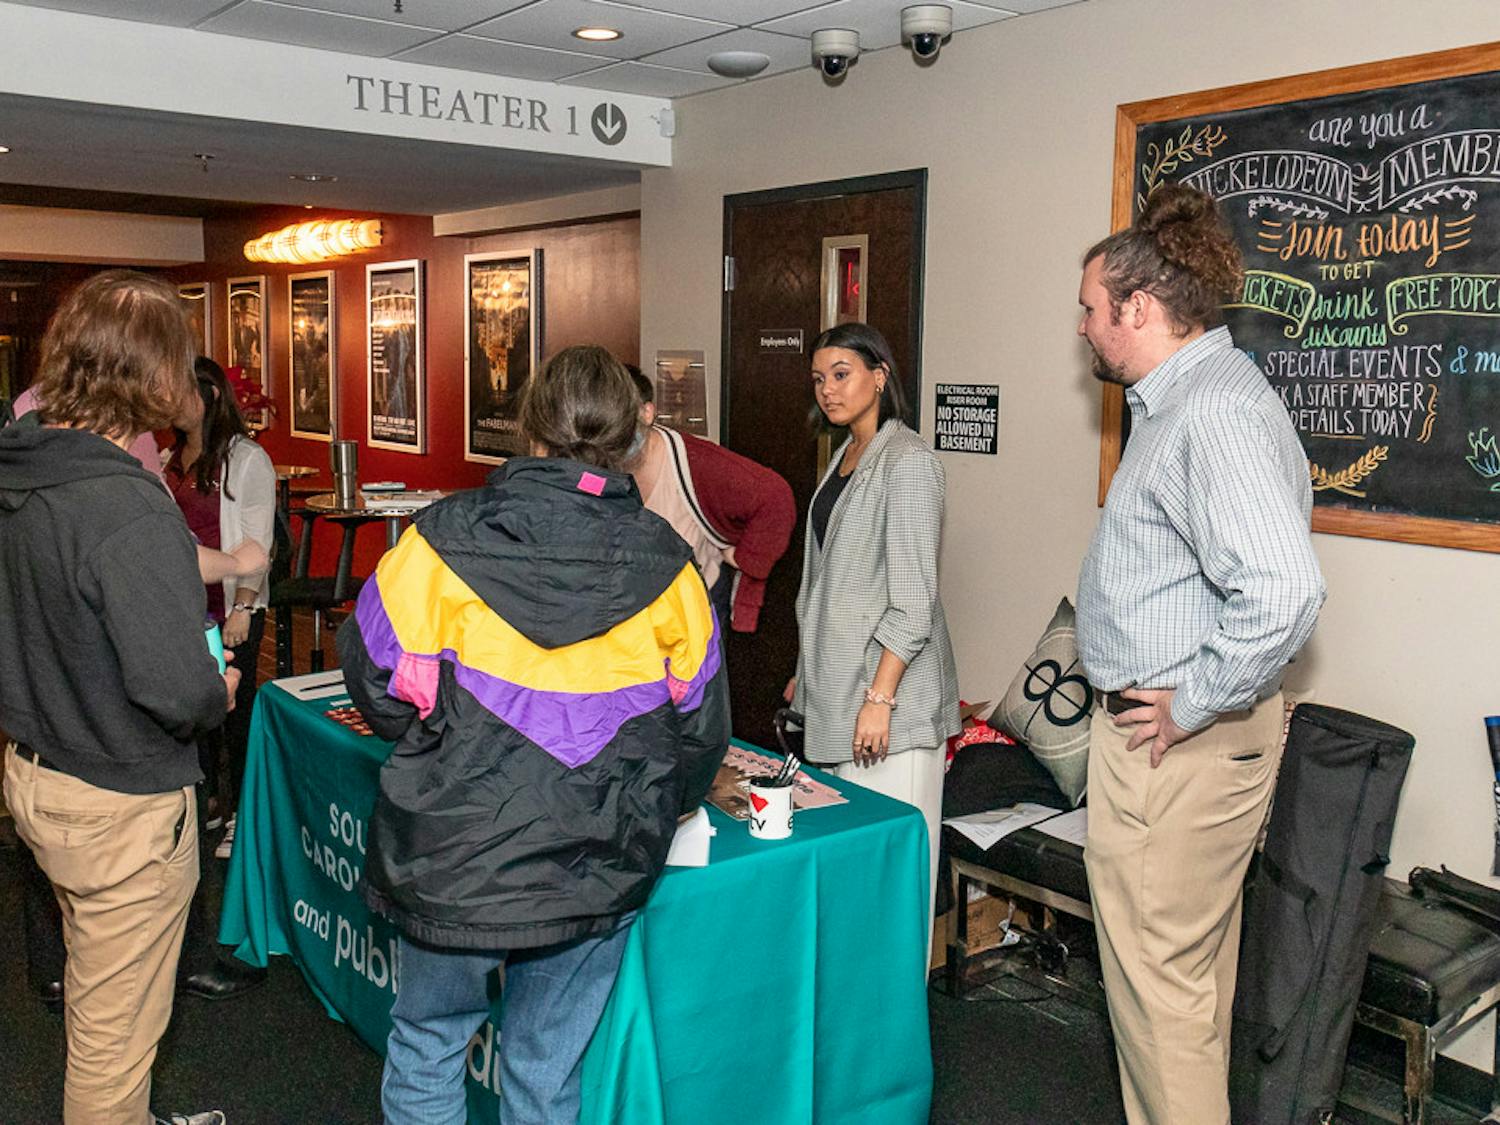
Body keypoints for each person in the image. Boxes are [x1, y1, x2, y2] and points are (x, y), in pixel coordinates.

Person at [337, 344, 731, 1125]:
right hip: (598, 854)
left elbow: (373, 678)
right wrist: (646, 806)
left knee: (429, 1046)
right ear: (628, 436)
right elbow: (701, 733)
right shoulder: (671, 566)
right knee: (547, 1072)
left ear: (530, 428)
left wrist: (440, 737)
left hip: (456, 851)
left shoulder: (435, 540)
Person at [1074, 183, 1326, 1125]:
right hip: (1187, 744)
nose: (1084, 328)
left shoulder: (1208, 410)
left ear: (1138, 307)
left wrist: (1189, 704)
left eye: (1091, 310)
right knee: (1186, 993)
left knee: (1159, 1004)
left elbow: (1285, 590)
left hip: (1174, 749)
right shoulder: (1191, 397)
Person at [0, 269, 238, 1125]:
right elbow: (177, 690)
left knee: (100, 998)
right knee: (115, 1043)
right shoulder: (125, 505)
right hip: (119, 801)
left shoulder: (22, 465)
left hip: (39, 772)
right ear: (153, 371)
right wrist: (219, 688)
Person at [784, 322, 961, 928]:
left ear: (880, 376)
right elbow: (832, 584)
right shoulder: (846, 455)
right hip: (841, 696)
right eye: (819, 379)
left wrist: (880, 699)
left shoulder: (908, 462)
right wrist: (806, 673)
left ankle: (899, 991)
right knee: (854, 881)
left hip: (891, 708)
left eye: (842, 375)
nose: (827, 390)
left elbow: (913, 601)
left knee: (891, 886)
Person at [164, 356, 276, 1002]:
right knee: (199, 719)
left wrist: (243, 608)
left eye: (180, 389)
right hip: (184, 610)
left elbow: (255, 540)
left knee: (237, 712)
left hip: (229, 608)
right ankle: (210, 807)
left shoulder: (247, 459)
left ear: (208, 395)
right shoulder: (172, 460)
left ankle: (237, 813)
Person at [626, 365, 796, 633]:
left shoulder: (694, 461)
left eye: (622, 415)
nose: (613, 428)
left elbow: (775, 497)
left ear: (647, 413)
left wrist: (745, 558)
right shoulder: (595, 460)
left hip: (694, 610)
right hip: (632, 614)